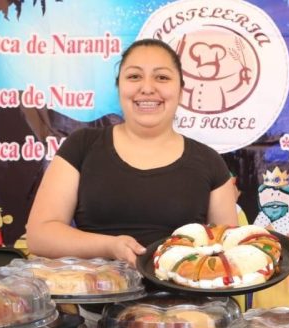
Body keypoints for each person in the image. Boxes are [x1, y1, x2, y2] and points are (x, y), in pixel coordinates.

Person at [26, 39, 238, 267]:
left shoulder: (209, 161)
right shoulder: (82, 146)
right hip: (96, 295)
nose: (147, 88)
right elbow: (40, 236)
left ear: (181, 90)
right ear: (119, 87)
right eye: (134, 76)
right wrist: (109, 246)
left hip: (187, 302)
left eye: (162, 77)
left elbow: (230, 253)